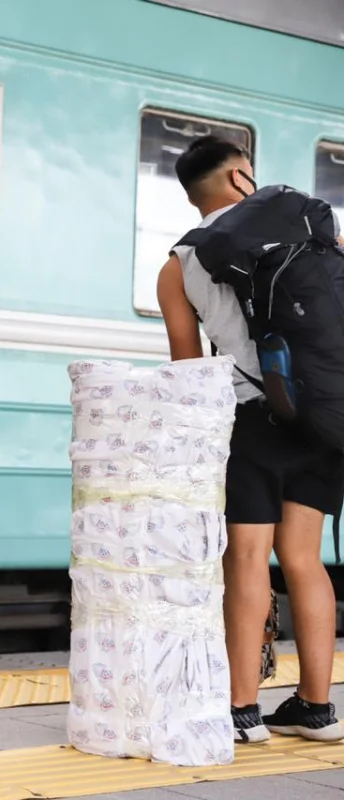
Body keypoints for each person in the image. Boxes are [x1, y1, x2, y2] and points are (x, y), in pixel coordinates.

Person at [155, 134, 343, 743]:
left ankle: (242, 711)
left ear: (192, 195)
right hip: (323, 414)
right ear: (241, 178)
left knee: (246, 557)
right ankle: (316, 707)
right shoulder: (304, 232)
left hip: (250, 421)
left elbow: (188, 367)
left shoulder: (179, 264)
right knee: (304, 559)